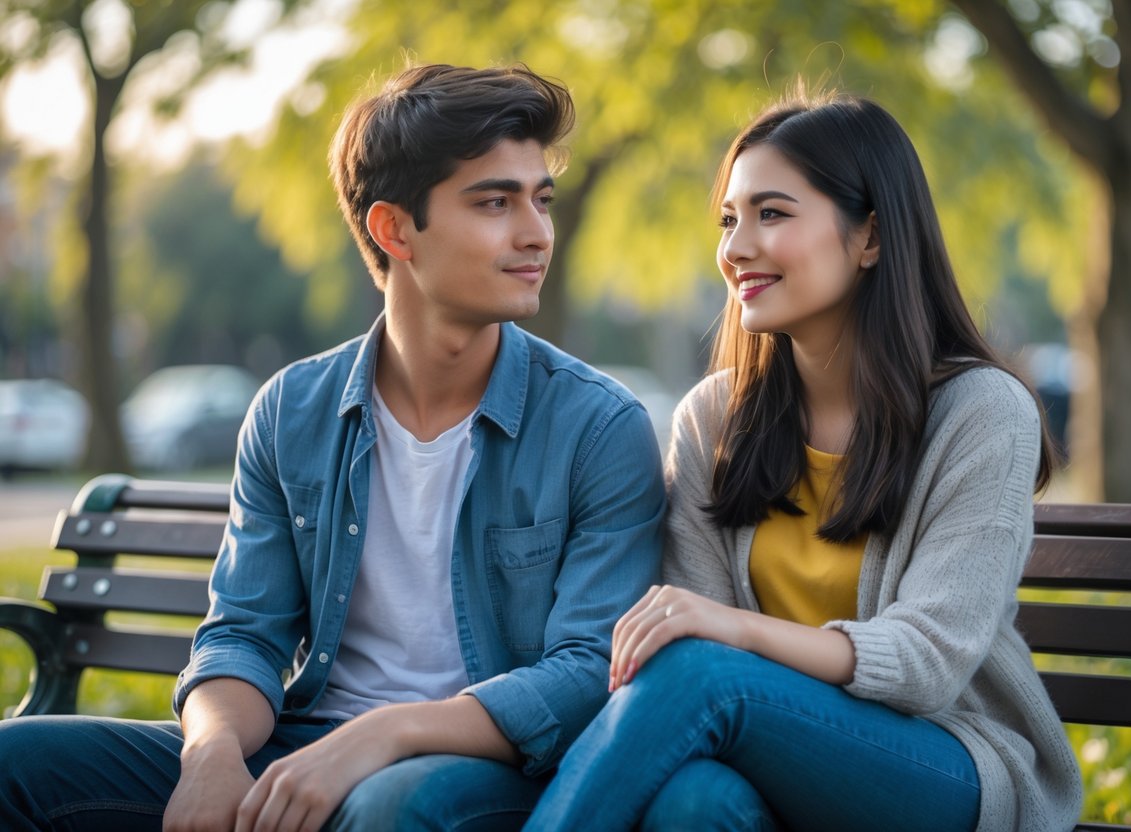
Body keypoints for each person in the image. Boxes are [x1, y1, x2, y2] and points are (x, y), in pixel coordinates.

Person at [0, 63, 665, 832]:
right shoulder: (293, 409)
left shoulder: (598, 424)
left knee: (387, 807)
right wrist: (211, 756)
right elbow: (245, 632)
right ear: (393, 229)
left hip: (488, 769)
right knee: (18, 766)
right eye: (494, 202)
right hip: (303, 743)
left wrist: (382, 734)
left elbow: (586, 674)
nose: (536, 233)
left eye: (539, 199)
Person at [523, 92, 1083, 832]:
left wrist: (739, 635)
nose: (735, 248)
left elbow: (923, 663)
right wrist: (723, 645)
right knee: (693, 804)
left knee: (704, 673)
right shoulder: (712, 420)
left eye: (772, 214)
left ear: (870, 238)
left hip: (949, 768)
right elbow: (697, 633)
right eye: (729, 220)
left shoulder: (980, 413)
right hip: (768, 753)